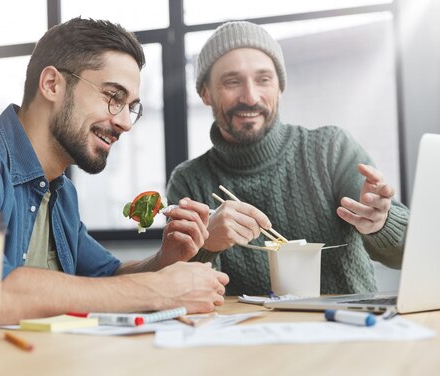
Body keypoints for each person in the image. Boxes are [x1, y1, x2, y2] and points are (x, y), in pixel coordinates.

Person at [0, 18, 228, 350]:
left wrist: (165, 260)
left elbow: (106, 277)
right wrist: (157, 290)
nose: (125, 123)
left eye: (131, 106)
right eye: (113, 97)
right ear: (51, 84)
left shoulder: (59, 191)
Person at [167, 21, 409, 296]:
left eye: (264, 80)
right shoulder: (189, 182)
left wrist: (381, 222)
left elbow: (406, 254)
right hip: (245, 335)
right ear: (205, 93)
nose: (250, 96)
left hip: (347, 328)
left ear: (280, 88)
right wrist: (206, 244)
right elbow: (178, 291)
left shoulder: (331, 150)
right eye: (232, 82)